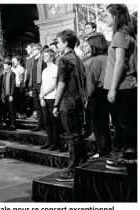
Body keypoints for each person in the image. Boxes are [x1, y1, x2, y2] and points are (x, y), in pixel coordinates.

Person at [104, 4, 137, 168]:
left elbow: (120, 64)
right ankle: (128, 157)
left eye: (107, 15)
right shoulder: (126, 34)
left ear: (115, 16)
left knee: (126, 124)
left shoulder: (120, 35)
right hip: (126, 86)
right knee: (127, 122)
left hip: (123, 86)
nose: (106, 18)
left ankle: (128, 159)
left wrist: (113, 88)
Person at [53, 29, 88, 182]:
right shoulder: (77, 58)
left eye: (58, 42)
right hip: (78, 102)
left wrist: (55, 104)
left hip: (67, 102)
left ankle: (73, 169)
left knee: (71, 136)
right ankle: (83, 164)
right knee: (77, 135)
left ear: (66, 43)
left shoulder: (64, 59)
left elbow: (61, 84)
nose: (57, 45)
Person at [84, 33, 112, 159]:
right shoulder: (108, 57)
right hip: (109, 91)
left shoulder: (95, 60)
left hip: (98, 94)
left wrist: (87, 98)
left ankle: (102, 151)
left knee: (98, 126)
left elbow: (91, 82)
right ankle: (108, 149)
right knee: (105, 125)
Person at [39, 49, 61, 151]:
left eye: (47, 56)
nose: (44, 57)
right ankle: (49, 141)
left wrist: (44, 94)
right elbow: (43, 84)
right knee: (46, 121)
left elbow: (53, 85)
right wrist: (41, 96)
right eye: (44, 56)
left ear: (52, 57)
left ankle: (56, 143)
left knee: (54, 122)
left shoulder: (55, 68)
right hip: (45, 97)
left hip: (52, 97)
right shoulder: (44, 70)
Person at [28, 43, 46, 131]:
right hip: (34, 86)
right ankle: (40, 124)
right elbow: (31, 74)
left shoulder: (42, 60)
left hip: (41, 85)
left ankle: (46, 124)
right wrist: (31, 88)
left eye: (34, 49)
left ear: (39, 50)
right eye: (32, 49)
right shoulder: (33, 61)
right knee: (37, 106)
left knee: (43, 106)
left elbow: (44, 73)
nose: (32, 51)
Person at [1, 57, 16, 131]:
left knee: (11, 110)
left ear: (9, 66)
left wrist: (11, 95)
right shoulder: (4, 74)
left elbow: (13, 85)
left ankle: (13, 124)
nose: (4, 67)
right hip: (5, 95)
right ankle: (5, 124)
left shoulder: (12, 73)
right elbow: (3, 85)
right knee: (4, 110)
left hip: (9, 94)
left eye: (5, 65)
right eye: (4, 66)